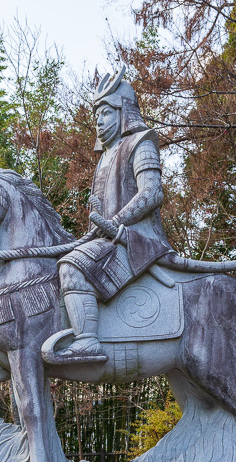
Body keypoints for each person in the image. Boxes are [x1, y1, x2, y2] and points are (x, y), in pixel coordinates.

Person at [43, 68, 172, 365]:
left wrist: (115, 222)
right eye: (96, 116)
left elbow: (152, 193)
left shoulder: (141, 143)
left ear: (123, 111)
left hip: (137, 241)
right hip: (109, 239)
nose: (98, 122)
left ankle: (88, 341)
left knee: (72, 267)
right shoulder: (104, 157)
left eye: (105, 113)